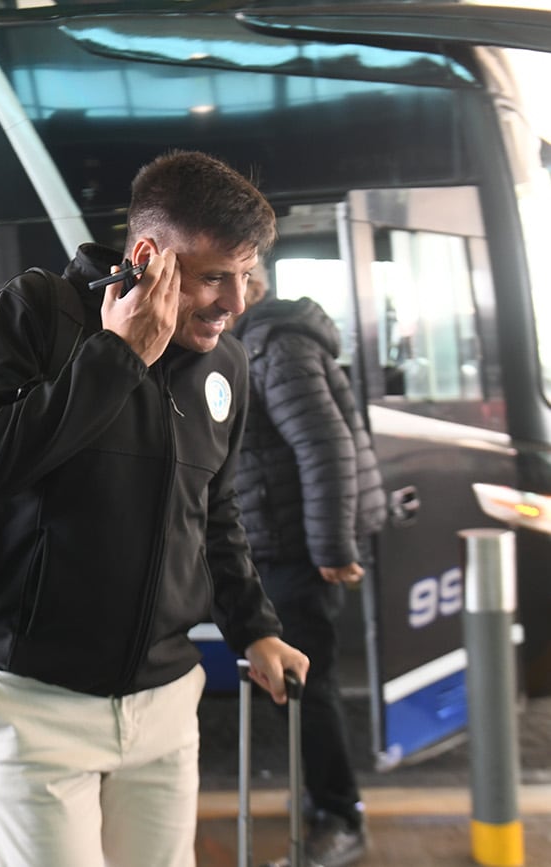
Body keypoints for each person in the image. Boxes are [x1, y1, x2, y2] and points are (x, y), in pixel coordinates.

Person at [0, 149, 310, 867]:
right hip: (30, 697)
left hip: (165, 697)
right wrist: (116, 356)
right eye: (214, 277)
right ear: (148, 256)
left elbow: (215, 511)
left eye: (246, 275)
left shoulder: (225, 364)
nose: (237, 303)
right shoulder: (34, 315)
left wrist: (256, 627)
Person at [234, 275, 387, 867]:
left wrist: (329, 549)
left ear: (247, 282)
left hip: (298, 548)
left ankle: (339, 814)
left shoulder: (277, 345)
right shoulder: (256, 342)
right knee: (292, 683)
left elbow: (324, 446)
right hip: (278, 540)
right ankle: (320, 798)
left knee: (306, 683)